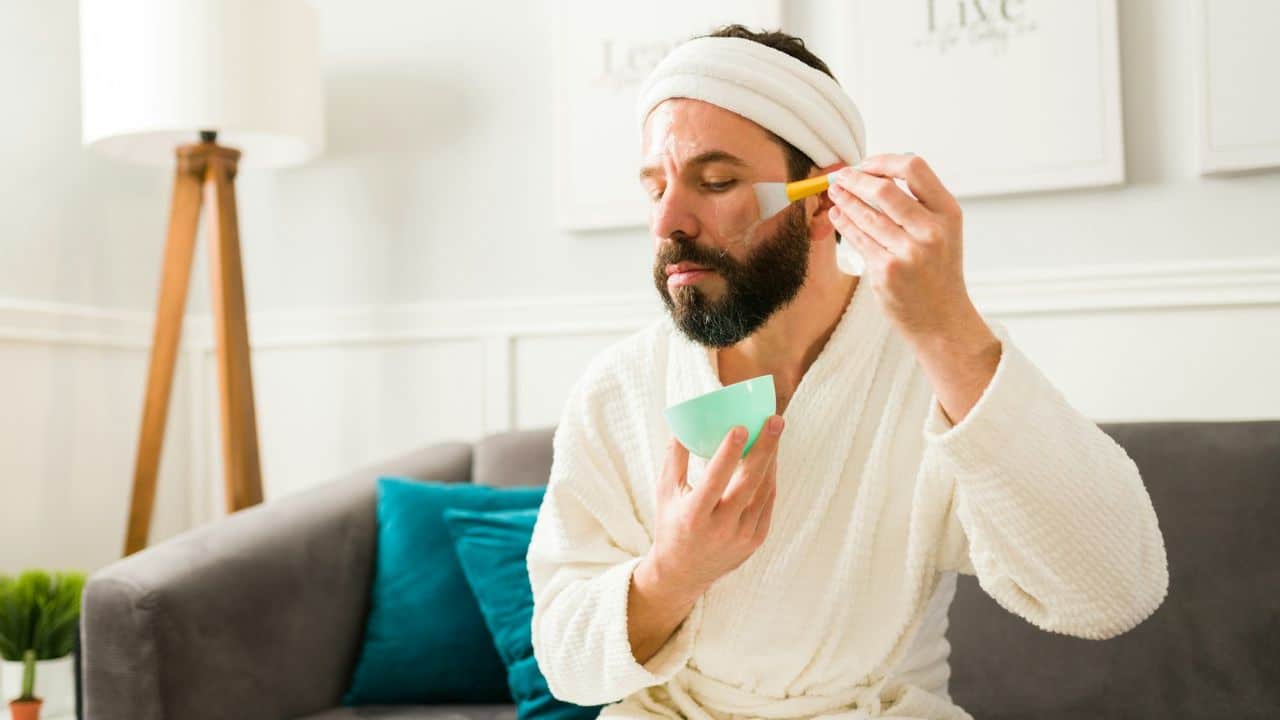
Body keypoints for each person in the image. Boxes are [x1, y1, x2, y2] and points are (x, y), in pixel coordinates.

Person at [528, 25, 1168, 720]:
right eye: (655, 188)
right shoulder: (620, 389)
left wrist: (949, 325)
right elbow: (565, 663)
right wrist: (670, 577)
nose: (668, 223)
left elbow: (1114, 591)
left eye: (716, 182)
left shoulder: (935, 362)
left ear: (822, 199)